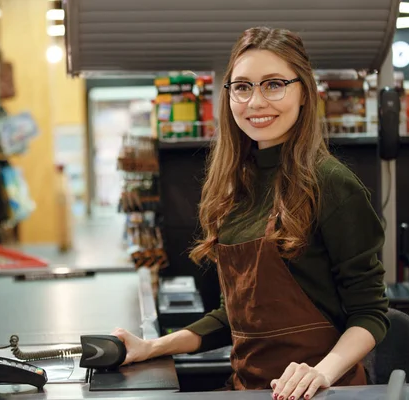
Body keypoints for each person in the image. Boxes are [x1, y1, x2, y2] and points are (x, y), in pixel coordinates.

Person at [111, 26, 390, 400]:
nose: (256, 102)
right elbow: (236, 317)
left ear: (304, 92)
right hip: (249, 390)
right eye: (242, 87)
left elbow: (371, 313)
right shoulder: (234, 185)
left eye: (273, 84)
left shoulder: (331, 183)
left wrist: (320, 373)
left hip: (323, 392)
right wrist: (153, 347)